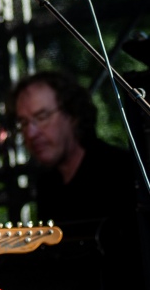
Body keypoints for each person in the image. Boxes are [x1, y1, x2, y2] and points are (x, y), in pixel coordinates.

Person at [10, 70, 138, 223]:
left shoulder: (120, 170)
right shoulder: (47, 183)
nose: (31, 133)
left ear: (72, 114)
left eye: (42, 117)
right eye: (24, 123)